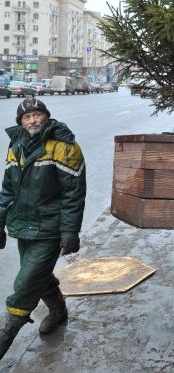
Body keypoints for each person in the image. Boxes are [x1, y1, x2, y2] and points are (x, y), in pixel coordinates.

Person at [0, 98, 86, 359]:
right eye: (27, 117)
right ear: (21, 123)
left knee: (25, 284)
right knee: (39, 275)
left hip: (50, 228)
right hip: (23, 226)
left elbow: (74, 193)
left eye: (37, 115)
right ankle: (58, 311)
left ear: (46, 117)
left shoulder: (64, 147)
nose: (33, 120)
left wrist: (70, 231)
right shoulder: (16, 146)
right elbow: (7, 190)